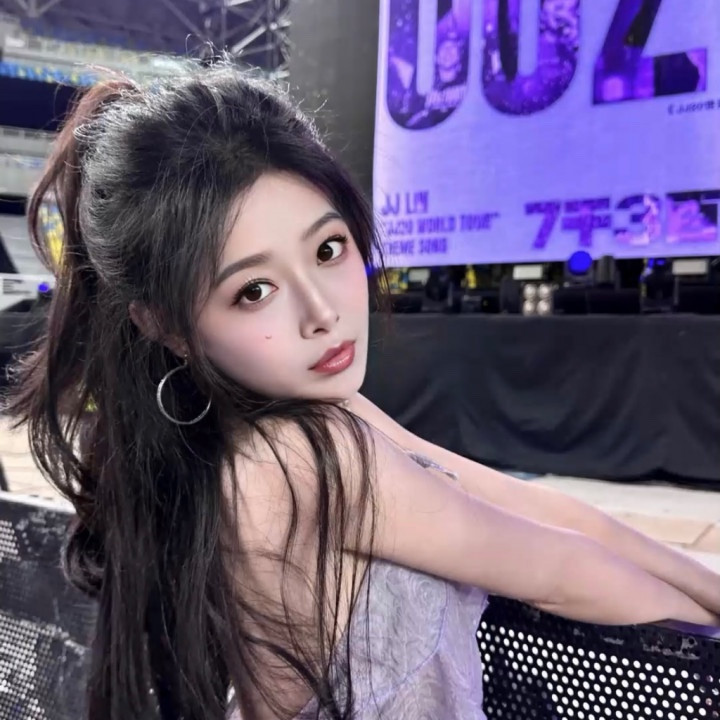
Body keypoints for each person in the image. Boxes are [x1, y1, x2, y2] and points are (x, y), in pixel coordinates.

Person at [4, 62, 719, 720]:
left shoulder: (284, 422)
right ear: (165, 325)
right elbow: (559, 570)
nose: (322, 312)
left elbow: (530, 507)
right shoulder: (306, 457)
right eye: (254, 291)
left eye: (328, 249)